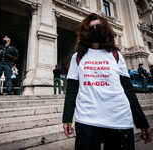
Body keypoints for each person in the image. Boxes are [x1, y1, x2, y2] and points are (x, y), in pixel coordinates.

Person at [62, 13, 152, 150]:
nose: (95, 29)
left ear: (105, 30)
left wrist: (142, 122)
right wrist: (67, 118)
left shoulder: (116, 56)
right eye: (91, 27)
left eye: (98, 26)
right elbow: (72, 89)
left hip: (118, 118)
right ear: (85, 32)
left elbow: (128, 89)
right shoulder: (78, 57)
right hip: (87, 118)